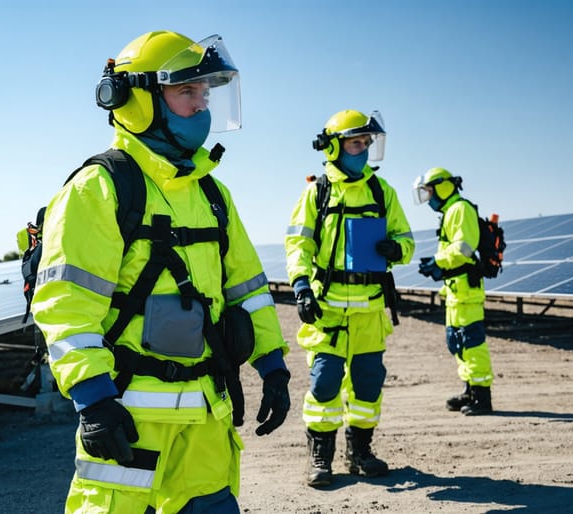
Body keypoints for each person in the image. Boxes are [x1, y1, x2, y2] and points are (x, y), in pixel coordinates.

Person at [30, 30, 291, 513]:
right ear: (139, 99)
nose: (201, 106)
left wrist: (272, 365)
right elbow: (66, 307)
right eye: (186, 91)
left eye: (206, 93)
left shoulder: (212, 193)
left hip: (207, 416)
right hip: (127, 416)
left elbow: (248, 289)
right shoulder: (100, 188)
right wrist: (93, 399)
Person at [284, 109, 414, 487]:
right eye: (357, 142)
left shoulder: (382, 191)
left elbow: (407, 241)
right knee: (324, 384)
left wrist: (396, 249)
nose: (364, 149)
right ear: (334, 146)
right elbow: (298, 244)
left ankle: (360, 451)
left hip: (370, 310)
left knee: (368, 385)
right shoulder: (317, 191)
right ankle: (320, 456)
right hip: (327, 310)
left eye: (367, 142)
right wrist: (301, 287)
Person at [412, 167, 494, 415]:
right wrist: (438, 265)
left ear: (442, 186)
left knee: (471, 342)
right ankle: (469, 389)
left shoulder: (460, 209)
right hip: (456, 290)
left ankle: (482, 397)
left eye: (429, 191)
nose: (429, 198)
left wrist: (439, 262)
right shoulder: (450, 212)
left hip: (466, 290)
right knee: (458, 342)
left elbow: (464, 249)